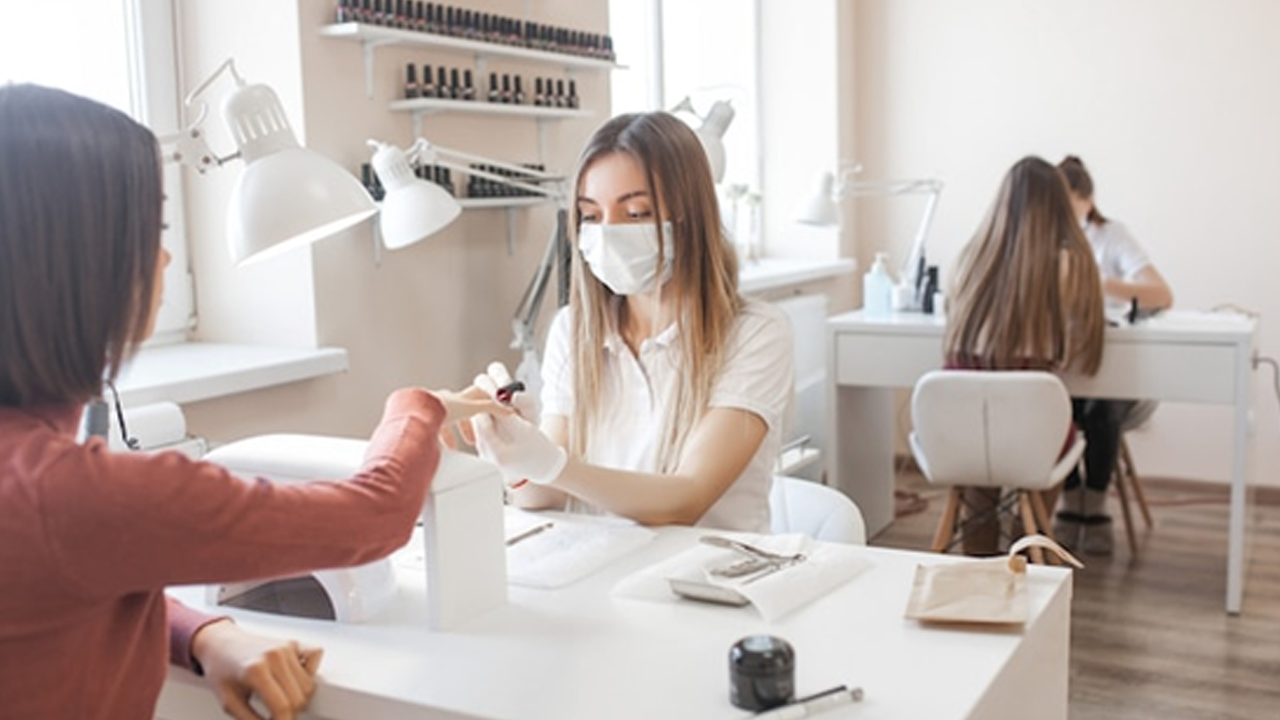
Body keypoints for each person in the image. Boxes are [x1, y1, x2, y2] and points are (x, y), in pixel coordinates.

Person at [0, 84, 504, 720]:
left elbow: (71, 584)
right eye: (153, 230)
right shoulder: (73, 495)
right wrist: (416, 407)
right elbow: (374, 518)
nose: (165, 256)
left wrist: (203, 633)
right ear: (81, 263)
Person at [469, 111, 795, 533]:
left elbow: (687, 499)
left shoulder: (755, 333)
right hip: (606, 563)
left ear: (690, 217)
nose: (608, 234)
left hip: (710, 568)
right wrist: (513, 454)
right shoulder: (574, 331)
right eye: (591, 216)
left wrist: (552, 463)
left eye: (637, 213)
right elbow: (543, 497)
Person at [944, 155, 1106, 555]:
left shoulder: (968, 259)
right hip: (1032, 430)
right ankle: (1029, 546)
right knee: (1050, 434)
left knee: (981, 469)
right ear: (1059, 205)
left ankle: (978, 566)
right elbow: (1081, 351)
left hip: (961, 427)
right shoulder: (1072, 262)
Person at [1053, 155, 1174, 554]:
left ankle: (1095, 503)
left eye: (1067, 202)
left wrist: (1100, 283)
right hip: (1064, 365)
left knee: (1100, 407)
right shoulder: (1046, 239)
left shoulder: (1110, 237)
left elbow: (1162, 295)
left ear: (1086, 200)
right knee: (1051, 403)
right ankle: (1071, 498)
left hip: (1112, 366)